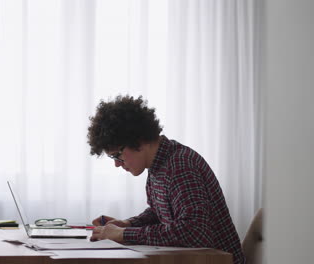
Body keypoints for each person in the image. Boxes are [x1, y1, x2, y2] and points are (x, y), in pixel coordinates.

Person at [86, 95, 245, 264]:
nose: (117, 164)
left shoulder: (180, 165)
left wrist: (123, 234)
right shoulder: (158, 165)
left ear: (138, 140)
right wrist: (126, 224)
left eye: (117, 155)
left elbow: (195, 232)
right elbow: (159, 212)